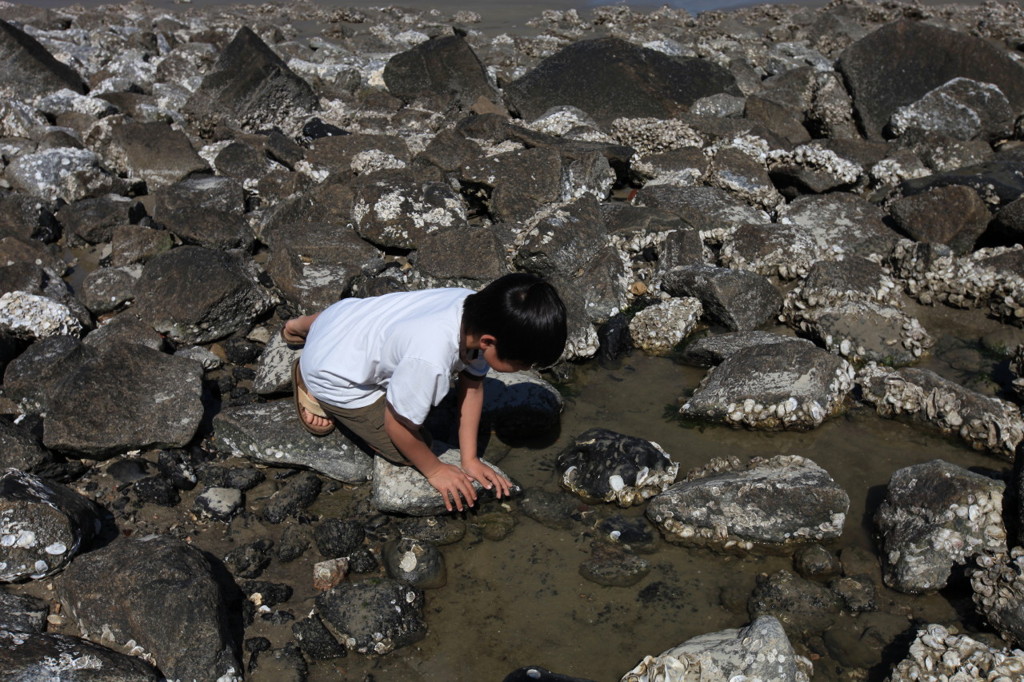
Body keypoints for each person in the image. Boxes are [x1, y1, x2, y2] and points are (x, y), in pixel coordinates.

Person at [283, 273, 568, 512]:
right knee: (411, 447)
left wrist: (469, 458)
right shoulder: (430, 359)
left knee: (349, 317)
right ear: (488, 342)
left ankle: (300, 325)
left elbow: (472, 385)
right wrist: (435, 469)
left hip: (343, 316)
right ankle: (307, 379)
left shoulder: (475, 307)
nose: (528, 368)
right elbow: (397, 426)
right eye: (524, 363)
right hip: (332, 373)